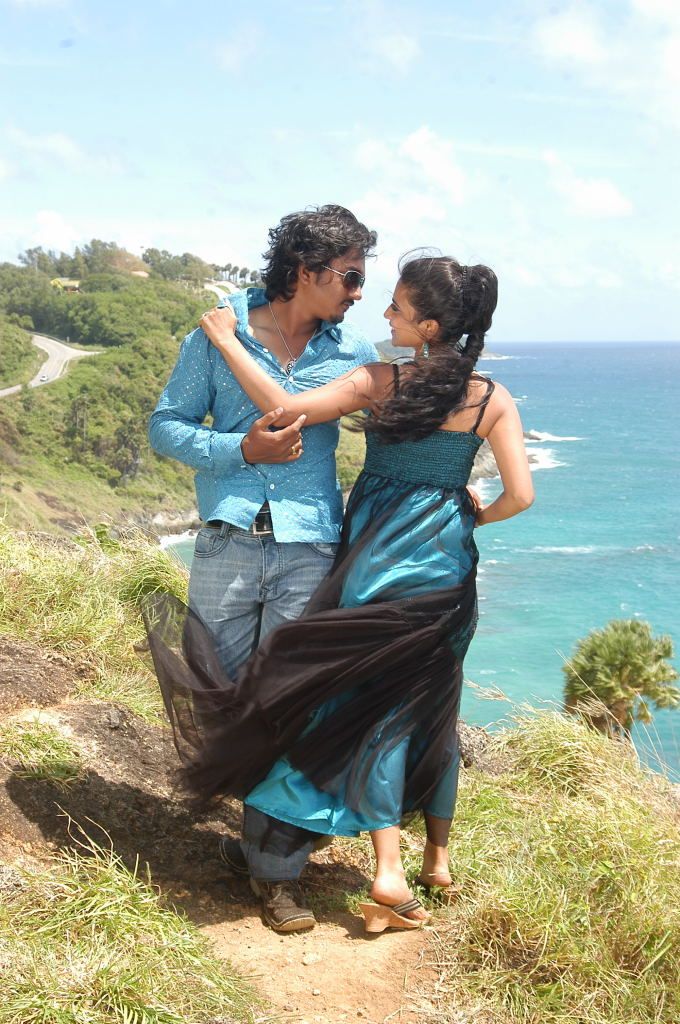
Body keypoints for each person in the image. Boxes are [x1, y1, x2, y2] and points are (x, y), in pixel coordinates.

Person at [145, 253, 533, 934]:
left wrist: (229, 342)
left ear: (429, 326)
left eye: (398, 307)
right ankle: (432, 861)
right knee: (430, 706)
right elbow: (521, 496)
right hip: (446, 571)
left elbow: (284, 408)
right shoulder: (492, 398)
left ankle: (348, 861)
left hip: (372, 565)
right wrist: (472, 512)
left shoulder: (382, 380)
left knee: (350, 708)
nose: (383, 312)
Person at [148, 205, 378, 932]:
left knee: (290, 704)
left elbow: (392, 424)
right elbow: (166, 426)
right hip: (228, 541)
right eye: (350, 277)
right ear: (306, 271)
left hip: (311, 547)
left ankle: (278, 872)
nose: (359, 292)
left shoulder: (354, 348)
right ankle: (257, 838)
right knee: (220, 694)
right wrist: (239, 451)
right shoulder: (216, 334)